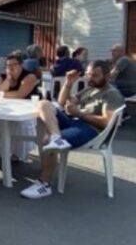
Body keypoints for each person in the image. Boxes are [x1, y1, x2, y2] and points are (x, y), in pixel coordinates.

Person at [21, 61, 125, 199]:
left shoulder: (111, 94)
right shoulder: (90, 89)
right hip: (75, 121)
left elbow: (107, 122)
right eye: (88, 75)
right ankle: (56, 137)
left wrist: (79, 114)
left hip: (91, 130)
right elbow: (61, 103)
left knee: (46, 141)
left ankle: (44, 184)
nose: (90, 78)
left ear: (107, 76)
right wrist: (68, 83)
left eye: (95, 75)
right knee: (44, 104)